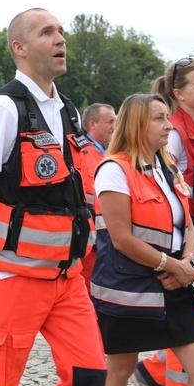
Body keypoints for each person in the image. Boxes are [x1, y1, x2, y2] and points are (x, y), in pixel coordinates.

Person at [0, 8, 107, 386]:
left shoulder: (67, 109)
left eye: (60, 31)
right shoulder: (2, 109)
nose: (60, 39)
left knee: (90, 375)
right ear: (19, 48)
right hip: (12, 276)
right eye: (47, 33)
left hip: (66, 276)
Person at [90, 93, 194, 386]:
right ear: (137, 124)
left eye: (168, 117)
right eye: (159, 118)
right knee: (120, 371)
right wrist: (173, 266)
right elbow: (122, 238)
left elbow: (187, 226)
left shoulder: (167, 166)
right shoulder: (113, 169)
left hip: (175, 287)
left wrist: (187, 264)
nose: (169, 125)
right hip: (128, 291)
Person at [132, 58, 194, 386]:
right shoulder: (173, 135)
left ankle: (148, 373)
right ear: (180, 93)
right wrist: (177, 259)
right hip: (187, 258)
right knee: (192, 339)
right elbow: (165, 195)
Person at [76, 103, 116, 293]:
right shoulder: (81, 153)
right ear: (92, 124)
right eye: (110, 121)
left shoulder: (110, 152)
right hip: (91, 241)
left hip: (110, 238)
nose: (115, 125)